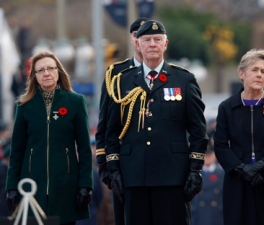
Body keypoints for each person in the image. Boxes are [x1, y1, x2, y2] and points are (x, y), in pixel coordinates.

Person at [105, 20, 208, 225]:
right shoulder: (122, 81)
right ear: (138, 44)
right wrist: (114, 168)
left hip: (172, 175)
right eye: (147, 40)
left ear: (165, 44)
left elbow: (198, 130)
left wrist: (195, 169)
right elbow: (111, 130)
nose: (152, 44)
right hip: (133, 175)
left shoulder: (183, 80)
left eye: (157, 39)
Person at [5, 51, 93, 225]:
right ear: (34, 76)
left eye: (50, 68)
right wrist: (11, 186)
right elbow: (16, 150)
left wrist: (86, 185)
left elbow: (84, 149)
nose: (46, 73)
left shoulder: (75, 102)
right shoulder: (24, 105)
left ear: (58, 71)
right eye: (41, 70)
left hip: (65, 184)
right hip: (31, 184)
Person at [214, 49, 264, 225]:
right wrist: (241, 169)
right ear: (241, 73)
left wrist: (260, 166)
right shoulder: (227, 107)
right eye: (254, 70)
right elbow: (220, 145)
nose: (259, 75)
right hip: (238, 181)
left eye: (263, 71)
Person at [95, 17, 148, 225]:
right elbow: (105, 121)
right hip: (125, 163)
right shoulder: (115, 74)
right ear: (132, 39)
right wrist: (104, 162)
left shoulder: (171, 76)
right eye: (137, 36)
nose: (140, 41)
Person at [191, 149, 224, 225]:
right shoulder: (193, 174)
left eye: (210, 154)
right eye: (205, 154)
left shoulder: (223, 174)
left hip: (217, 215)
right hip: (198, 215)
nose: (208, 157)